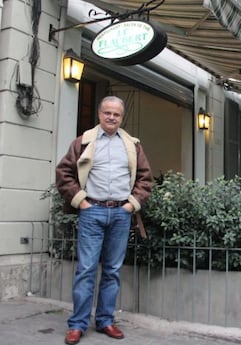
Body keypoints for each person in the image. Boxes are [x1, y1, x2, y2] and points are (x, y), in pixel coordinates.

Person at [56, 96, 153, 345]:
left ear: (122, 117)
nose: (112, 117)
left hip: (121, 214)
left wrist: (132, 204)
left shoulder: (132, 145)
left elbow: (145, 178)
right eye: (107, 113)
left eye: (116, 114)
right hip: (92, 212)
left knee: (112, 271)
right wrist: (81, 201)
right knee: (86, 270)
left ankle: (105, 321)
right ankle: (77, 325)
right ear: (99, 115)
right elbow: (64, 173)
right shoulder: (83, 142)